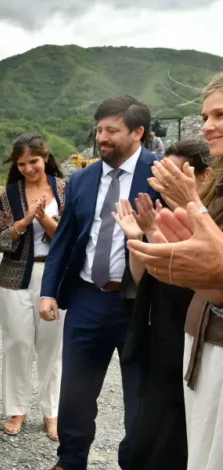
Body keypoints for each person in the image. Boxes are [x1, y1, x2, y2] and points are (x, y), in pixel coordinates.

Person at [39, 95, 160, 470]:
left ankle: (134, 461)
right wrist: (48, 291)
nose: (102, 138)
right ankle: (70, 460)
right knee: (76, 389)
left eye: (112, 130)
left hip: (139, 303)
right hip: (88, 297)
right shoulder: (82, 178)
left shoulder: (159, 175)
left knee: (139, 392)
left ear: (138, 133)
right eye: (99, 129)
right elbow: (64, 239)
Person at [129, 73, 223, 470]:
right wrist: (157, 240)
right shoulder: (218, 186)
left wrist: (191, 205)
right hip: (203, 342)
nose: (208, 126)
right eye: (205, 116)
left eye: (220, 114)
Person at [115, 139, 212, 470]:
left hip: (191, 355)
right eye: (161, 175)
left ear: (205, 177)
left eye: (176, 174)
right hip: (158, 351)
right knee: (144, 442)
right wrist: (138, 239)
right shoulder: (163, 217)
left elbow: (195, 288)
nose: (164, 184)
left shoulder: (211, 226)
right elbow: (144, 283)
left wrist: (160, 237)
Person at [0, 133, 66, 441]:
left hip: (55, 276)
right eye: (21, 164)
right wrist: (23, 222)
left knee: (52, 348)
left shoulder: (65, 189)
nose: (27, 168)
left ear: (45, 157)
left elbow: (71, 235)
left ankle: (52, 414)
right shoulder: (9, 195)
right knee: (17, 344)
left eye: (33, 161)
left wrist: (45, 221)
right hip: (15, 278)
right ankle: (17, 409)